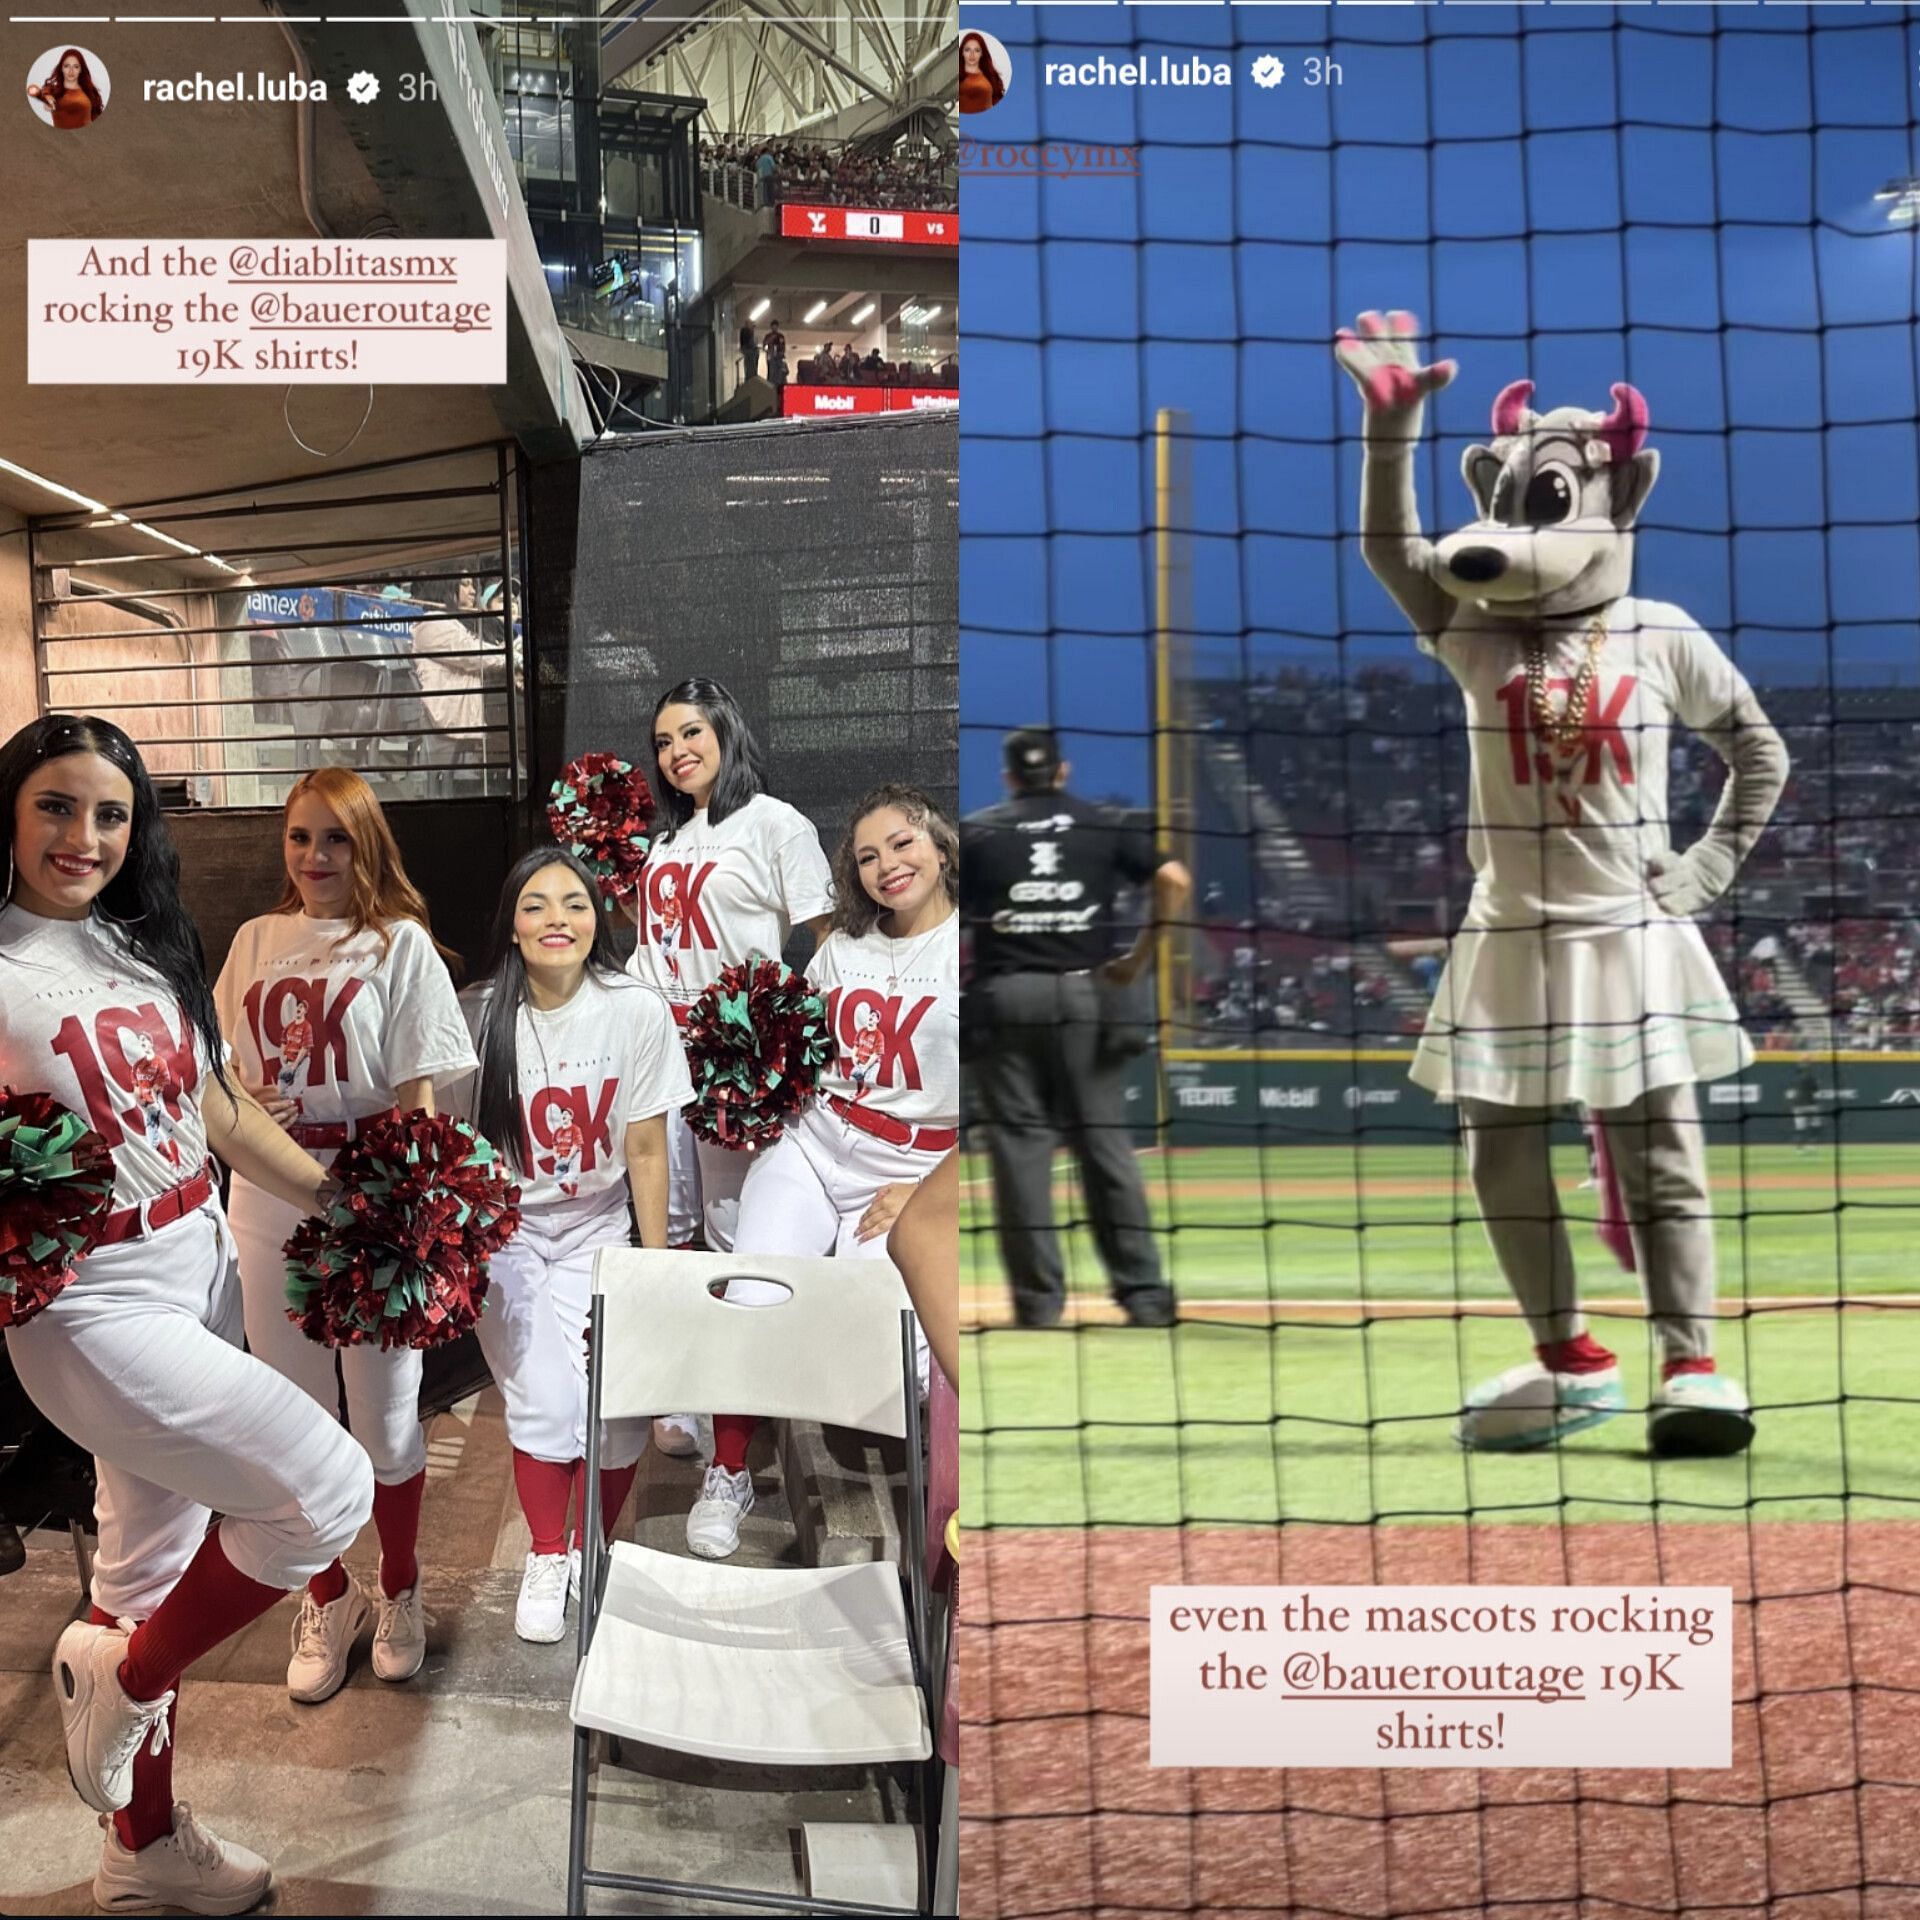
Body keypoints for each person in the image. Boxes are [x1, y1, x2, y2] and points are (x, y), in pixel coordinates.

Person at [1333, 308, 1790, 1456]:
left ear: (1617, 499)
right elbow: (1392, 552)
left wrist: (1703, 871)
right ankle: (1570, 1357)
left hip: (1629, 930)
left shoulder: (1659, 631)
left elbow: (1759, 752)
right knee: (1499, 1156)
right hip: (1511, 931)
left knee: (1663, 1153)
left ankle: (1693, 1365)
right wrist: (1392, 436)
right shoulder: (1474, 634)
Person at [2, 715, 372, 1914]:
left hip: (194, 1256)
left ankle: (143, 1850)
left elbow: (213, 1110)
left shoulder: (140, 943)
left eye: (111, 813)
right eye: (58, 805)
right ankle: (128, 1679)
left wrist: (342, 1197)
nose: (86, 837)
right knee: (326, 1488)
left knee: (147, 1565)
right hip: (88, 1303)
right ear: (9, 810)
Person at [214, 767, 477, 1704]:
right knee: (290, 1416)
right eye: (299, 837)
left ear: (367, 844)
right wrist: (251, 1105)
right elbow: (217, 1077)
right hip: (270, 1196)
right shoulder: (252, 940)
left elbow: (419, 1092)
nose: (315, 857)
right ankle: (328, 1594)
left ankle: (398, 1582)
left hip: (367, 1195)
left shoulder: (400, 944)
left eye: (335, 838)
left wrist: (405, 1194)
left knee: (385, 1416)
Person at [688, 785, 959, 1559]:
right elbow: (803, 1051)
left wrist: (926, 1192)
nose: (887, 865)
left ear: (941, 847)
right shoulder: (843, 947)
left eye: (903, 844)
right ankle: (730, 1469)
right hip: (819, 1142)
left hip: (917, 1165)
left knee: (892, 1336)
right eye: (868, 856)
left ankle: (942, 1498)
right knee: (752, 1292)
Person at [455, 849, 687, 1639]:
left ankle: (592, 1546)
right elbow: (444, 1139)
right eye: (536, 905)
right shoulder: (477, 1012)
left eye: (576, 903)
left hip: (599, 1223)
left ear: (599, 919)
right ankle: (547, 1552)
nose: (558, 918)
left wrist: (651, 1271)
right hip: (508, 1232)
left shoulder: (636, 1009)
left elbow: (649, 1150)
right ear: (512, 928)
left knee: (618, 1408)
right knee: (548, 1403)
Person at [627, 678, 834, 1450]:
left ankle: (736, 1403)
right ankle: (683, 1393)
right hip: (657, 1048)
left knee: (729, 1229)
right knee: (667, 1223)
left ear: (725, 730)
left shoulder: (776, 824)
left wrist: (783, 1036)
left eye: (690, 733)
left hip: (730, 1057)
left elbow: (826, 935)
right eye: (663, 741)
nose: (677, 751)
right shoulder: (668, 838)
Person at [962, 728, 1191, 1328]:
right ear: (1062, 771)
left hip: (1006, 997)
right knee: (1105, 1147)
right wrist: (1139, 959)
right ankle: (1144, 1296)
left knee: (1020, 1156)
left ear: (1010, 776)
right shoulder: (1103, 821)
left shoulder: (981, 831)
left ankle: (1039, 1305)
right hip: (1086, 993)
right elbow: (1176, 881)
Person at [27, 46, 104, 126]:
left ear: (81, 69)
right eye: (67, 66)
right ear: (61, 68)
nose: (71, 71)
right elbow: (44, 91)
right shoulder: (52, 92)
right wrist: (46, 97)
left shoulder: (89, 91)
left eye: (76, 66)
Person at [958, 33, 1005, 114]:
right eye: (967, 50)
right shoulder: (957, 78)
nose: (972, 55)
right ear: (962, 52)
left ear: (982, 53)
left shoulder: (990, 78)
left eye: (976, 50)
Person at [1787, 1060, 1824, 1153]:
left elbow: (1791, 1093)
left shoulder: (1795, 1079)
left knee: (1800, 1127)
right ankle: (1812, 1145)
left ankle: (1799, 1148)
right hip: (1810, 1104)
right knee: (1815, 1124)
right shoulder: (1811, 1078)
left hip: (1797, 1105)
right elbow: (1816, 1090)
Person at [740, 317, 759, 382]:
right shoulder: (745, 331)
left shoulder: (748, 332)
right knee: (750, 368)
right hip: (749, 351)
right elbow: (749, 343)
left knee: (751, 368)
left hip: (749, 351)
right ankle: (751, 380)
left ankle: (751, 379)